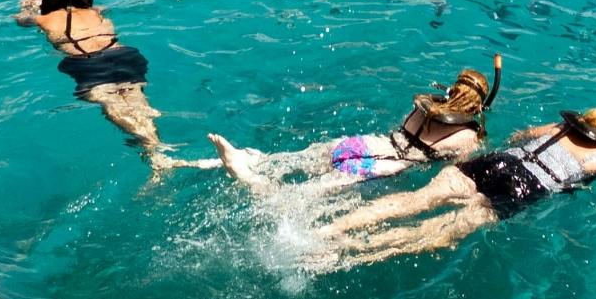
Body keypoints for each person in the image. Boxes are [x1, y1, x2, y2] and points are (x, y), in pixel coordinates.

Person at [306, 89, 596, 270]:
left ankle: (328, 231)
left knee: (411, 202)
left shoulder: (560, 126)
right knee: (431, 235)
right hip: (520, 189)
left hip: (492, 164)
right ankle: (344, 254)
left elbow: (520, 136)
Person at [203, 58, 501, 204]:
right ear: (477, 105)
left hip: (366, 143)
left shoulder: (427, 104)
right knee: (299, 197)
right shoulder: (468, 136)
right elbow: (454, 170)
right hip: (379, 166)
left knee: (297, 159)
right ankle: (249, 180)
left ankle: (249, 160)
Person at [15, 0, 176, 171]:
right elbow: (99, 4)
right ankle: (158, 146)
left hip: (89, 63)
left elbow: (20, 19)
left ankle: (152, 152)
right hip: (123, 54)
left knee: (111, 105)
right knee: (135, 97)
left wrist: (29, 3)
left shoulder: (45, 19)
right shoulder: (95, 11)